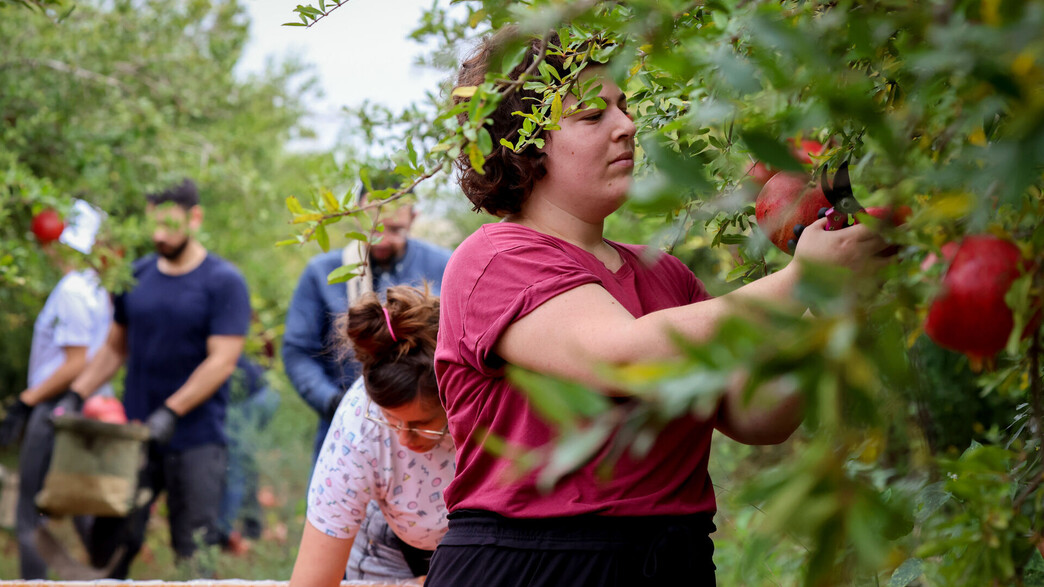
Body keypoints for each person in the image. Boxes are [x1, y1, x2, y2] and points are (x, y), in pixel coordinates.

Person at [426, 29, 892, 587]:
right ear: (526, 143)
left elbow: (759, 417)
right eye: (593, 115)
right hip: (531, 565)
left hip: (673, 562)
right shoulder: (494, 259)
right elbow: (623, 356)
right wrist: (799, 279)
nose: (626, 126)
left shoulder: (665, 276)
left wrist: (832, 299)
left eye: (623, 107)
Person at [54, 179, 252, 578]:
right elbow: (114, 348)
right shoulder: (136, 275)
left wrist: (171, 411)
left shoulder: (223, 282)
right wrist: (77, 394)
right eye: (154, 225)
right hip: (133, 438)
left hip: (197, 441)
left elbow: (222, 361)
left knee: (195, 554)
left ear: (195, 218)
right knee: (110, 546)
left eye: (170, 224)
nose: (160, 235)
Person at [289, 285, 454, 586]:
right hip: (387, 545)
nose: (405, 439)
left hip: (480, 543)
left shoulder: (488, 410)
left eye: (421, 423)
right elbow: (312, 580)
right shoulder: (358, 423)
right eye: (391, 420)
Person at [283, 189, 451, 461]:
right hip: (343, 434)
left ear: (413, 218)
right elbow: (298, 351)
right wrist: (336, 404)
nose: (382, 239)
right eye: (374, 228)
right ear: (356, 216)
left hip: (432, 437)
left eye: (394, 229)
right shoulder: (321, 273)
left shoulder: (445, 266)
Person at [0, 200, 112, 580]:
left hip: (57, 406)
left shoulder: (71, 290)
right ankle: (109, 575)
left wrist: (25, 402)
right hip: (85, 404)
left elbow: (76, 362)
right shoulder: (96, 288)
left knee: (29, 513)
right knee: (80, 502)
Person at [218, 354, 280, 554]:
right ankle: (252, 527)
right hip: (260, 393)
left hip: (255, 397)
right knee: (244, 464)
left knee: (235, 465)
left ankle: (225, 533)